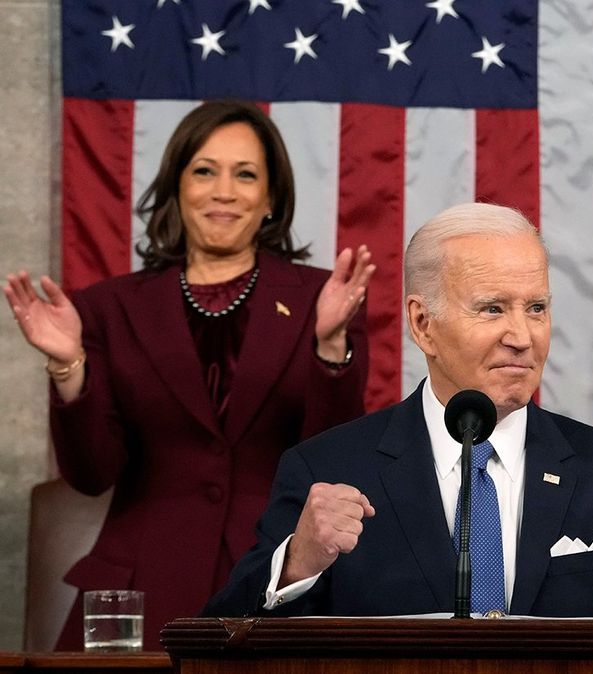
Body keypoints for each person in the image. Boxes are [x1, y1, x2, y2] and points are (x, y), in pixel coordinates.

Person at [202, 203, 593, 673]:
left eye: (536, 307)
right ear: (422, 324)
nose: (521, 335)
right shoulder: (327, 470)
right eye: (492, 309)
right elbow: (216, 646)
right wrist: (299, 562)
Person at [4, 100, 375, 650]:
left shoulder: (325, 300)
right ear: (178, 185)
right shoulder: (106, 307)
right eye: (204, 170)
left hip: (274, 588)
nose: (224, 191)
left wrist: (328, 346)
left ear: (270, 198)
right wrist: (67, 365)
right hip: (139, 593)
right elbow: (90, 475)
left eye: (245, 174)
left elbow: (334, 463)